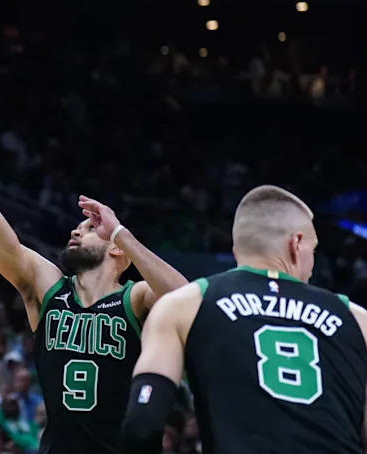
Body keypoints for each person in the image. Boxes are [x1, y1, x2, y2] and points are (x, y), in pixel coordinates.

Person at [0, 57, 188, 454]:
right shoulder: (47, 287)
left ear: (117, 249)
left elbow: (189, 300)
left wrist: (122, 232)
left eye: (90, 229)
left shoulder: (136, 298)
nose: (76, 230)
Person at [119, 185, 367, 454]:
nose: (312, 262)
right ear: (296, 244)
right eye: (313, 250)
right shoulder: (357, 318)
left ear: (237, 250)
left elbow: (141, 424)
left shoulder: (184, 305)